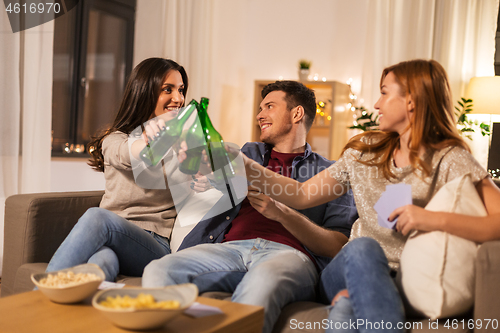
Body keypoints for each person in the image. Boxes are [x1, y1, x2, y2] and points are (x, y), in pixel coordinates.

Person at [238, 59, 500, 333]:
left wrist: (430, 219)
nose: (376, 104)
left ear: (411, 101)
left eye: (385, 93)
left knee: (346, 311)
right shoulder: (366, 153)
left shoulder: (450, 159)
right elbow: (302, 194)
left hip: (403, 280)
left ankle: (357, 298)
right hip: (347, 268)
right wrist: (244, 166)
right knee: (364, 247)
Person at [142, 80, 358, 333]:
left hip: (289, 256)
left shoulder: (328, 172)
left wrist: (283, 215)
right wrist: (203, 178)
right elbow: (212, 175)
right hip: (229, 249)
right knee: (160, 269)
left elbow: (337, 244)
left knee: (263, 280)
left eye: (269, 106)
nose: (259, 115)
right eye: (259, 108)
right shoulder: (248, 153)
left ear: (296, 113)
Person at [45, 58, 211, 282]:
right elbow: (127, 155)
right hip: (111, 238)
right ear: (144, 93)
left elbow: (203, 184)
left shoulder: (185, 146)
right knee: (102, 261)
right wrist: (147, 138)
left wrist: (202, 183)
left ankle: (41, 293)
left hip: (154, 245)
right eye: (167, 90)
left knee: (97, 218)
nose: (179, 99)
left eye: (180, 90)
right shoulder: (115, 139)